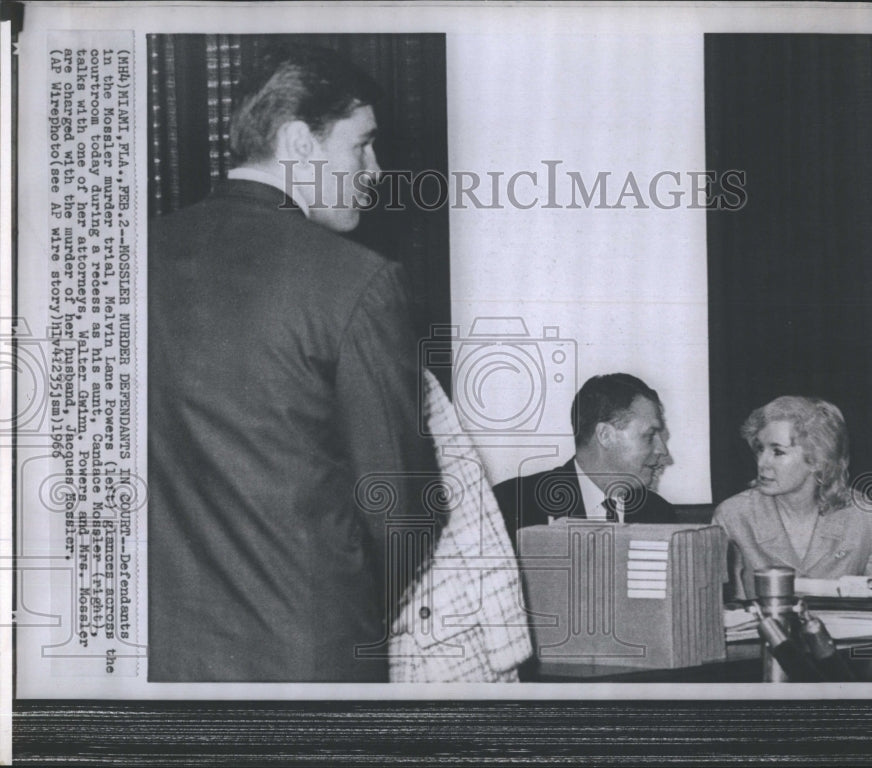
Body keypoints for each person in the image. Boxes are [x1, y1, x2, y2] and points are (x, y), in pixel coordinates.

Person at [147, 45, 438, 682]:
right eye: (362, 145)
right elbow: (405, 512)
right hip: (305, 663)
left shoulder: (130, 262)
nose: (376, 168)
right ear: (298, 141)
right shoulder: (357, 281)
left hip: (158, 665)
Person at [712, 396, 872, 600]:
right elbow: (718, 610)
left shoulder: (861, 514)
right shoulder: (734, 515)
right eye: (760, 449)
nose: (762, 463)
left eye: (778, 452)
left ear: (817, 460)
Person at [493, 373, 676, 548]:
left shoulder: (659, 514)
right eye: (650, 435)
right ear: (605, 436)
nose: (663, 450)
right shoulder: (513, 505)